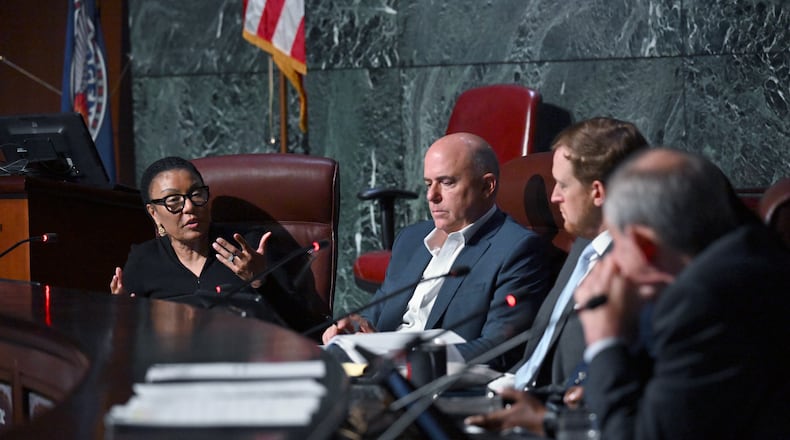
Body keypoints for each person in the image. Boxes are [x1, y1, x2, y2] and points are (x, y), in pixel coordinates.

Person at [574, 148, 790, 439]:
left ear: (643, 245)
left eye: (617, 246)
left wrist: (605, 341)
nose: (612, 264)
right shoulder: (752, 253)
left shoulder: (706, 302)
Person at [466, 117, 648, 435]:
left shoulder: (635, 270)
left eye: (563, 185)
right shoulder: (583, 243)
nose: (554, 198)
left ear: (597, 192)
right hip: (514, 397)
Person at [323, 132, 552, 371]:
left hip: (432, 383)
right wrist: (357, 327)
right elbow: (379, 312)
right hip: (374, 371)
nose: (432, 196)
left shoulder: (517, 249)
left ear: (487, 186)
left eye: (447, 182)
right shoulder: (410, 239)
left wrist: (395, 356)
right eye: (428, 184)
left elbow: (501, 347)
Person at [110, 156, 328, 334]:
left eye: (196, 195)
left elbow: (304, 328)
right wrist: (119, 316)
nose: (189, 207)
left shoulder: (248, 248)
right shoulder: (144, 262)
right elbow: (130, 343)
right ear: (154, 213)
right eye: (174, 201)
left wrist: (261, 281)